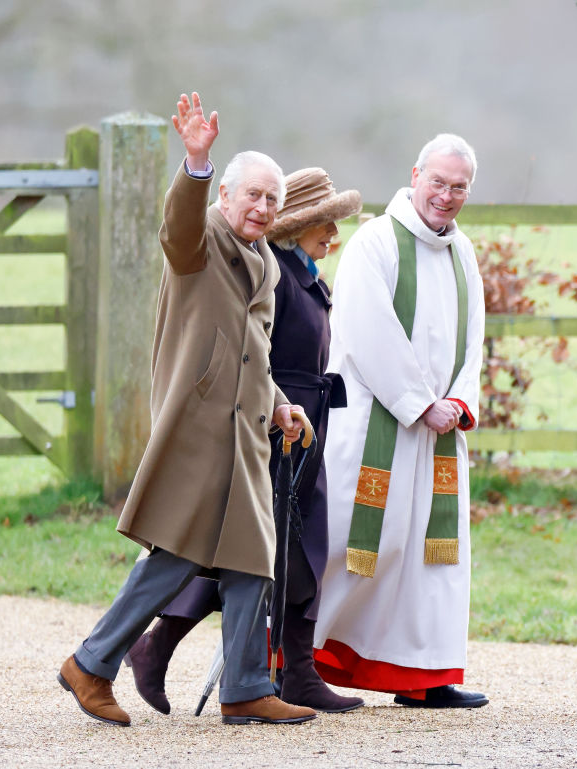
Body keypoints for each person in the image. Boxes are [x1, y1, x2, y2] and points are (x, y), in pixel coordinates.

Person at [57, 92, 316, 727]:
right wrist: (195, 163)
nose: (261, 207)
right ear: (225, 196)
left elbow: (250, 354)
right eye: (251, 194)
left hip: (247, 439)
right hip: (201, 435)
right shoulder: (197, 249)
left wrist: (281, 406)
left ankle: (245, 687)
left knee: (252, 559)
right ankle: (91, 664)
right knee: (175, 556)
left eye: (271, 200)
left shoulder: (266, 266)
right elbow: (177, 225)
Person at [125, 168, 366, 714]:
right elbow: (251, 354)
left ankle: (184, 655)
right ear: (296, 227)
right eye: (324, 225)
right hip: (271, 430)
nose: (333, 235)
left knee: (274, 551)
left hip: (300, 424)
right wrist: (274, 410)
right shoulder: (271, 272)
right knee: (251, 551)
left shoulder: (298, 273)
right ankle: (262, 669)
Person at [311, 134, 489, 709]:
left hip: (439, 435)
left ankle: (424, 675)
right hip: (376, 428)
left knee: (434, 553)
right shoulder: (375, 243)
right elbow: (367, 333)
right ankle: (298, 661)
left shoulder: (464, 254)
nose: (447, 195)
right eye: (438, 182)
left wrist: (459, 403)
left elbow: (474, 341)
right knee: (356, 543)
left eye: (459, 187)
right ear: (416, 175)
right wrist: (419, 402)